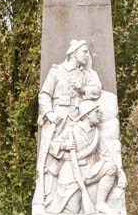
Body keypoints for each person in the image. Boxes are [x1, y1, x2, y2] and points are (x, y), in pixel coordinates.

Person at [37, 40, 102, 204]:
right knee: (52, 159)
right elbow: (44, 95)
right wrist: (50, 113)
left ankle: (77, 196)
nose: (87, 56)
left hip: (78, 119)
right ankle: (48, 197)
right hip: (59, 120)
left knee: (80, 156)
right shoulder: (57, 71)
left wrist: (83, 89)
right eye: (84, 52)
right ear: (73, 53)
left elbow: (96, 90)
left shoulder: (86, 75)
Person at [43, 100, 123, 215]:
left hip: (90, 170)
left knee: (110, 167)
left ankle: (101, 204)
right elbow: (52, 146)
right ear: (87, 115)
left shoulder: (96, 133)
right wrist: (64, 145)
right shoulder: (71, 130)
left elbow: (105, 155)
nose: (99, 115)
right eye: (96, 112)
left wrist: (120, 173)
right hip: (71, 172)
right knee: (72, 210)